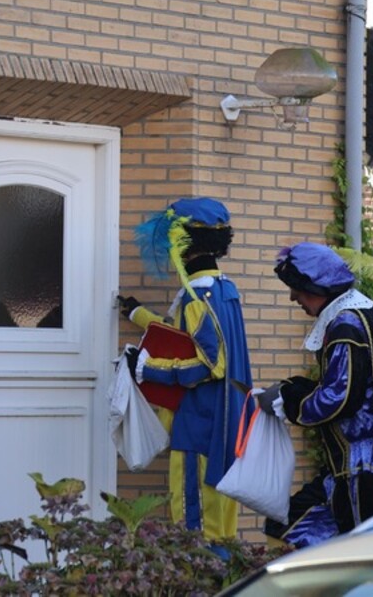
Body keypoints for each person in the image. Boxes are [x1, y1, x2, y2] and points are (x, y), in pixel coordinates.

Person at [257, 242, 373, 549]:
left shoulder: (346, 325)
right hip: (355, 466)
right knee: (289, 525)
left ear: (314, 286)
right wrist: (295, 389)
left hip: (363, 469)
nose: (293, 297)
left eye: (296, 288)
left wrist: (287, 399)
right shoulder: (360, 315)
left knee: (363, 553)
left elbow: (338, 398)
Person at [118, 197, 253, 546]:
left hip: (199, 425)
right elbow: (189, 339)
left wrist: (146, 368)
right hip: (227, 425)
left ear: (184, 243)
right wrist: (138, 315)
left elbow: (208, 364)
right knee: (222, 530)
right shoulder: (223, 290)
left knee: (195, 529)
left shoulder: (197, 296)